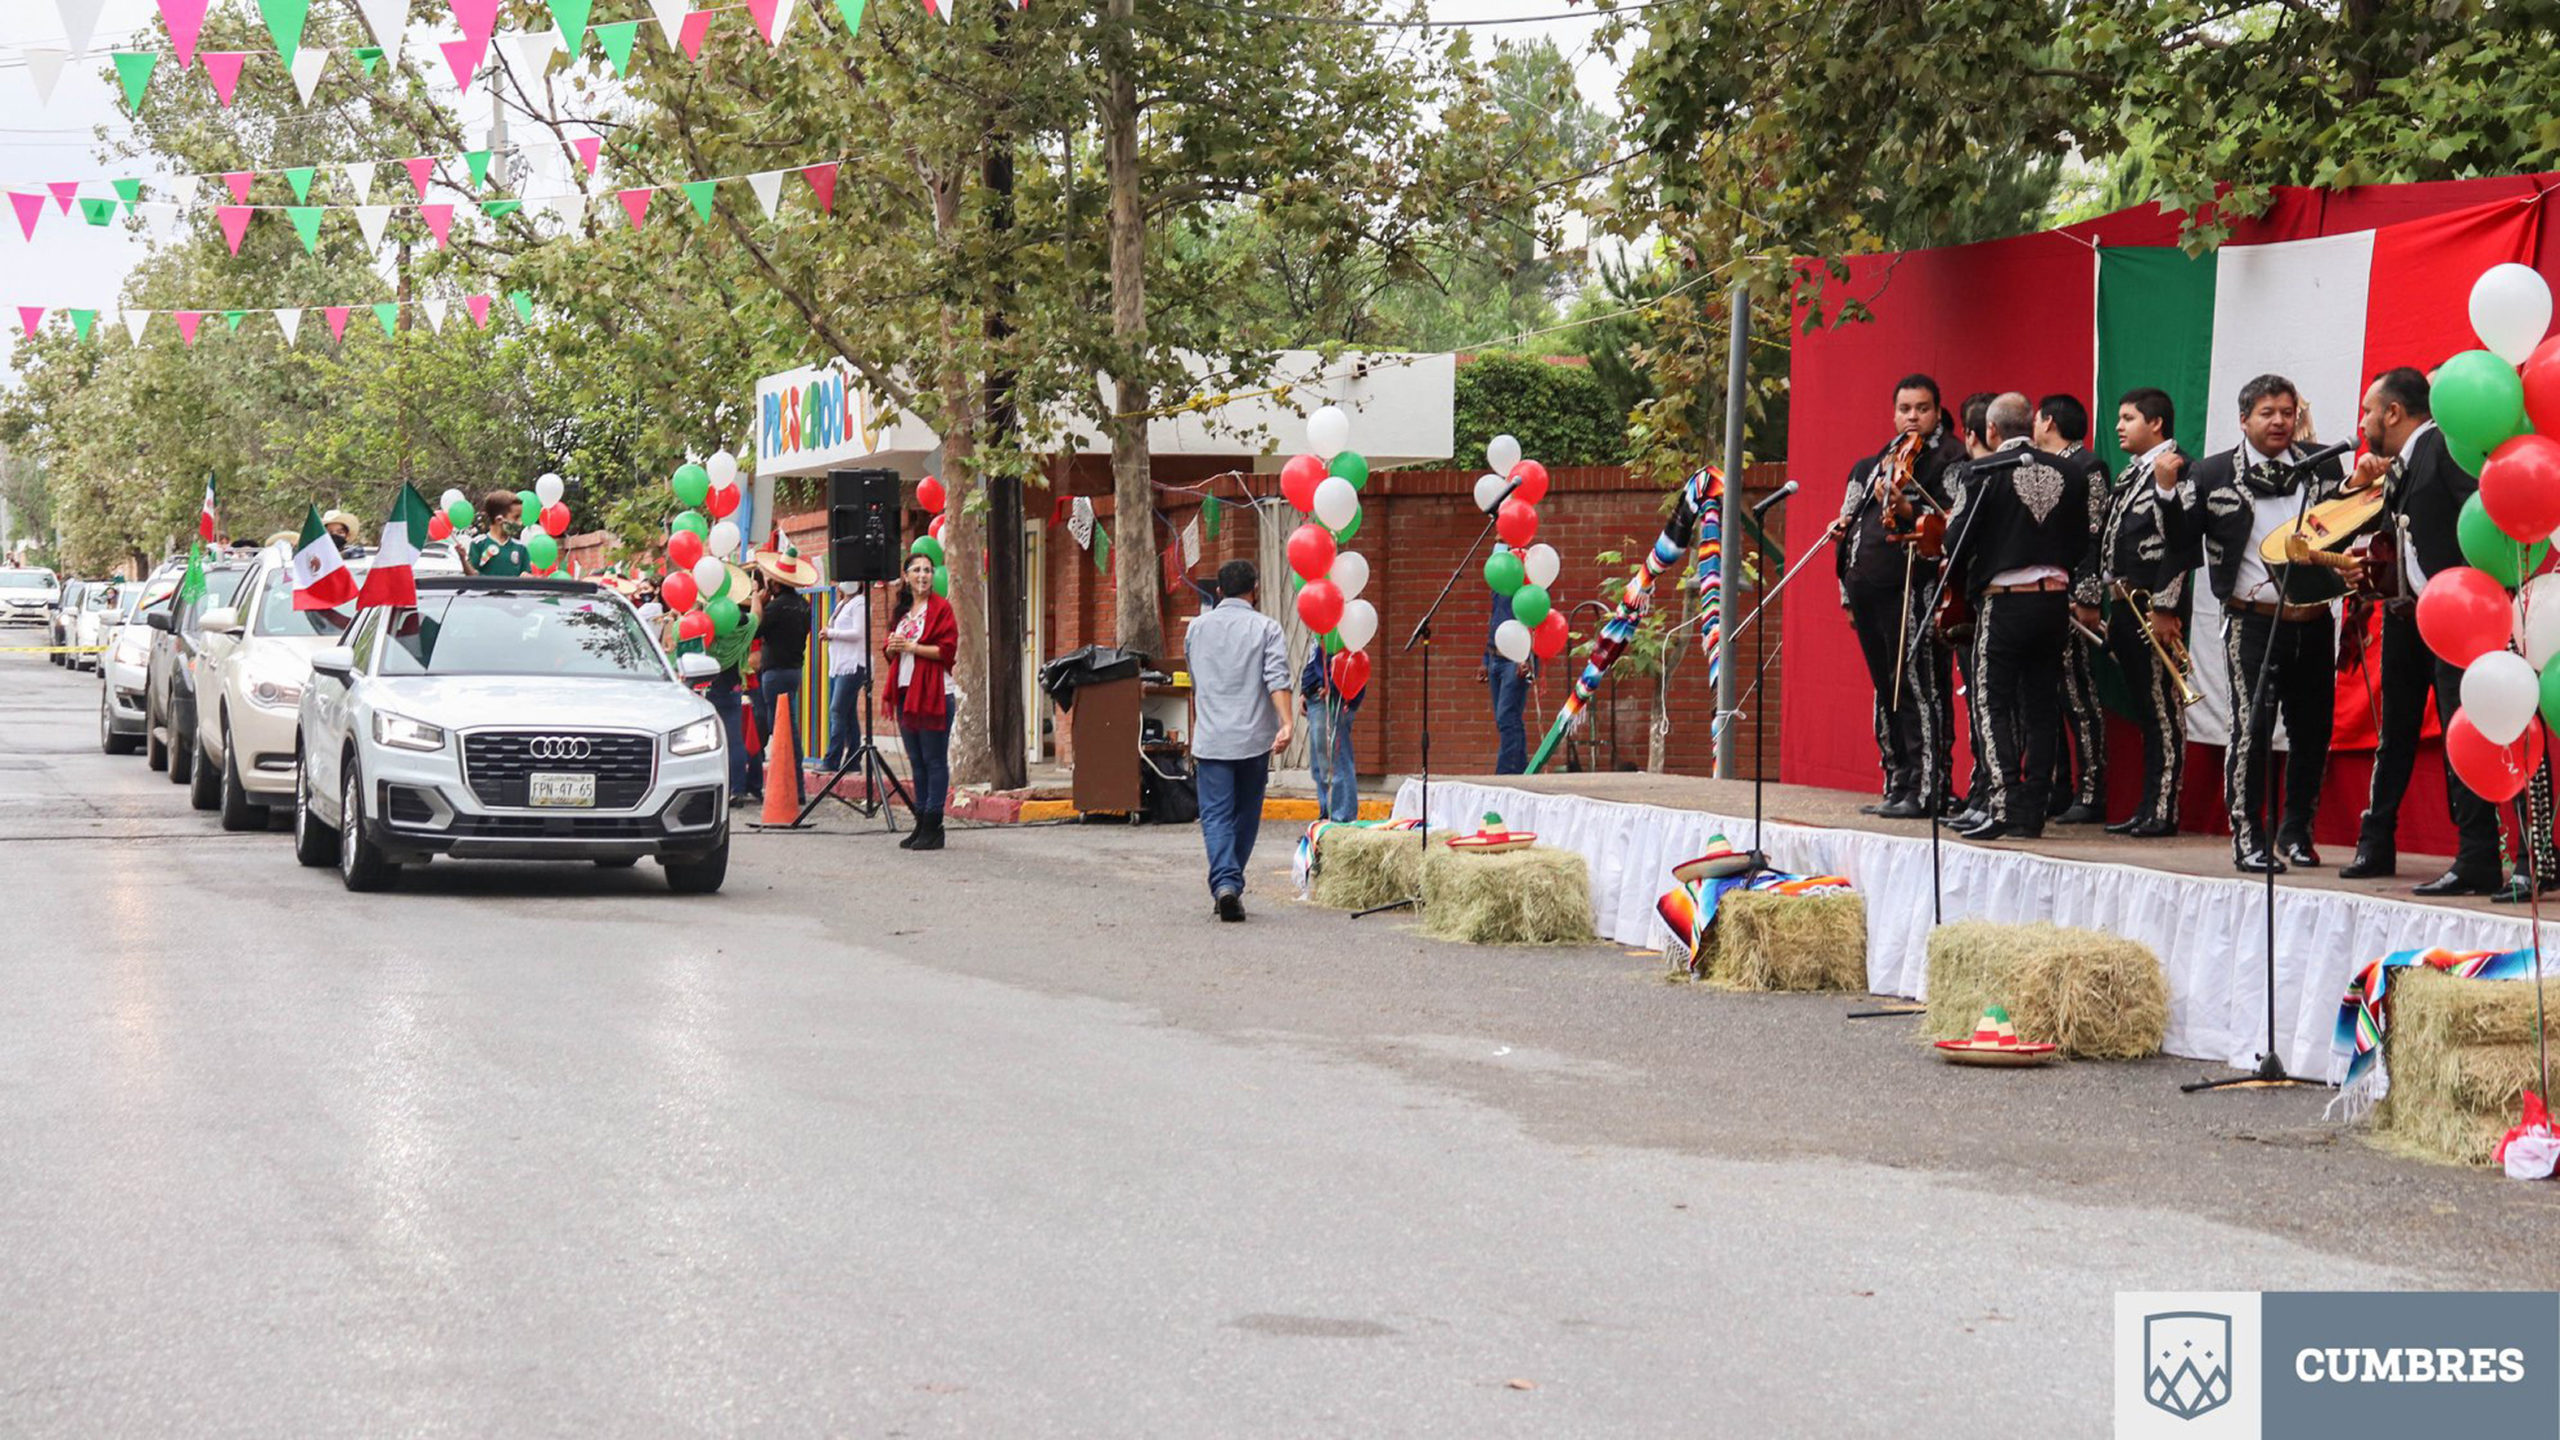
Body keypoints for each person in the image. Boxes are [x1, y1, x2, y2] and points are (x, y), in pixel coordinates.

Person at [2155, 373, 2348, 874]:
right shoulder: (2213, 472)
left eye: (2286, 412)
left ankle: (2297, 831)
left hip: (2314, 618)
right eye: (2267, 413)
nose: (2279, 421)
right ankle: (2248, 835)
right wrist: (2165, 490)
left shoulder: (2323, 465)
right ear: (2244, 420)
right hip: (2252, 620)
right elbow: (2180, 543)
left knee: (2313, 729)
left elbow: (2351, 525)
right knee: (2252, 729)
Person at [2339, 367, 2513, 896]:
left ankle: (2478, 855)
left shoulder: (2444, 448)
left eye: (2369, 410)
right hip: (2406, 616)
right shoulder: (2402, 462)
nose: (2363, 421)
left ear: (2393, 412)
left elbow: (2483, 521)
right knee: (2395, 733)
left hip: (2455, 619)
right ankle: (2377, 840)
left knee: (2465, 734)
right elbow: (2406, 538)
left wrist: (2464, 594)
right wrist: (2369, 566)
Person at [1944, 394, 2096, 841]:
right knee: (2042, 706)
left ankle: (2000, 800)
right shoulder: (2071, 471)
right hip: (2054, 599)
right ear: (2030, 425)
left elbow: (1956, 540)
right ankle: (2031, 811)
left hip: (2005, 597)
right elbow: (2082, 537)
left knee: (1991, 702)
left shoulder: (1982, 472)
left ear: (1991, 431)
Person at [1831, 374, 1969, 819]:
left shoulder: (1953, 458)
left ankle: (1929, 787)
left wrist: (1911, 509)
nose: (1913, 417)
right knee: (1886, 688)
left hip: (1916, 587)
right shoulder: (1876, 461)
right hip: (1869, 589)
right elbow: (1849, 524)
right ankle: (1897, 781)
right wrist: (1846, 592)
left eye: (1922, 409)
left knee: (1919, 688)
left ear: (1937, 411)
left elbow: (1955, 522)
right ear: (1893, 413)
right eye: (1905, 409)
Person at [2088, 387, 2193, 837]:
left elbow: (2181, 544)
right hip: (2127, 602)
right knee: (2146, 711)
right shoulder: (2133, 473)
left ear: (2156, 424)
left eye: (2128, 417)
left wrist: (2167, 607)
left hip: (2155, 606)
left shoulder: (2177, 469)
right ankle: (2148, 804)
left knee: (2162, 710)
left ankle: (2164, 807)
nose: (2118, 426)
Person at [1188, 559, 1293, 921]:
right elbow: (1277, 679)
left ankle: (1225, 884)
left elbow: (1196, 682)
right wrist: (1287, 722)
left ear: (1218, 591)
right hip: (1252, 739)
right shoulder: (1267, 628)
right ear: (1256, 590)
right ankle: (1229, 882)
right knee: (1245, 815)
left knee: (1215, 815)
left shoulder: (1196, 629)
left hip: (1212, 737)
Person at [2034, 394, 2111, 824]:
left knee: (2080, 696)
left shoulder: (2088, 466)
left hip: (2073, 600)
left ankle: (2093, 790)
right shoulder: (2043, 469)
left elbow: (2094, 533)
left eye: (2036, 420)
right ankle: (2058, 787)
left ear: (2048, 421)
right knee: (2052, 695)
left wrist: (2086, 596)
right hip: (2046, 597)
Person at [883, 551, 959, 851]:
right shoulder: (902, 612)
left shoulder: (941, 609)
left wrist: (913, 646)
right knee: (916, 760)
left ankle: (934, 825)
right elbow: (891, 654)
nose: (923, 575)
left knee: (934, 759)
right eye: (916, 570)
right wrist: (893, 646)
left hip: (935, 693)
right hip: (905, 691)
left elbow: (946, 651)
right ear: (906, 576)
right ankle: (920, 822)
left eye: (927, 570)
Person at [747, 566, 812, 777]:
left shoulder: (776, 607)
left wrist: (757, 598)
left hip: (775, 672)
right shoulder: (803, 605)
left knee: (782, 727)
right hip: (794, 670)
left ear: (776, 583)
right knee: (786, 723)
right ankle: (793, 776)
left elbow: (754, 628)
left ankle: (791, 777)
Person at [1301, 645, 1362, 823]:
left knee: (1337, 758)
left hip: (1332, 694)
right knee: (1320, 762)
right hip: (1315, 694)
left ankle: (1342, 818)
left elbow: (1348, 656)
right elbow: (1315, 655)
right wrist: (1305, 690)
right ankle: (1326, 816)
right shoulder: (1322, 628)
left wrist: (1332, 685)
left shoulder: (1341, 622)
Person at [819, 579, 872, 770]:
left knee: (837, 710)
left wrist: (832, 633)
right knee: (848, 714)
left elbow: (858, 632)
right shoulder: (842, 603)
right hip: (840, 664)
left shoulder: (860, 603)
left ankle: (832, 759)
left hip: (853, 664)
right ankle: (853, 760)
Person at [1482, 589, 1535, 773]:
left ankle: (1505, 773)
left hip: (1515, 659)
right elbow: (1495, 620)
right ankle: (1520, 769)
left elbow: (1533, 621)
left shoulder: (1526, 581)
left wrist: (1526, 658)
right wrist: (1486, 660)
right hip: (1495, 657)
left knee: (1506, 717)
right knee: (1507, 719)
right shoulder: (1500, 582)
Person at [462, 491, 529, 577]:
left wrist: (527, 576)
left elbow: (527, 576)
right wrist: (462, 558)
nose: (520, 523)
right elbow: (473, 576)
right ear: (499, 519)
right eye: (516, 517)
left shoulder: (521, 547)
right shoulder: (479, 543)